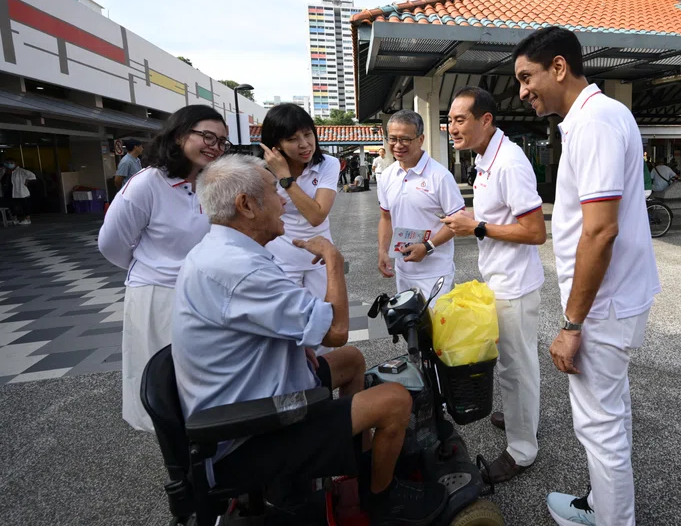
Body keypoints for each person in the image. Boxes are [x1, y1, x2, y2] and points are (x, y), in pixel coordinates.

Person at [172, 154, 447, 524]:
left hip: (250, 392)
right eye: (274, 192)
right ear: (246, 205)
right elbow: (335, 331)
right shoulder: (239, 269)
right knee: (395, 401)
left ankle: (354, 460)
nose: (285, 200)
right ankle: (381, 498)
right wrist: (333, 260)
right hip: (249, 431)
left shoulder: (224, 250)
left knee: (351, 361)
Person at [513, 26, 661, 526]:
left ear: (559, 67)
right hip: (615, 298)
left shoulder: (594, 122)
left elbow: (599, 232)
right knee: (609, 418)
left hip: (602, 306)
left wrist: (571, 325)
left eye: (527, 77)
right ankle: (600, 504)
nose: (523, 91)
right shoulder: (600, 115)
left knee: (599, 426)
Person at [98, 105, 230, 431]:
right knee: (168, 385)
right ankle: (181, 468)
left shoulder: (213, 183)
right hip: (160, 297)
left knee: (207, 382)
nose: (215, 146)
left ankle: (210, 457)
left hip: (205, 294)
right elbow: (111, 243)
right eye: (207, 136)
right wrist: (152, 268)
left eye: (222, 141)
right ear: (180, 135)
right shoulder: (147, 184)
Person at [442, 87, 547, 484]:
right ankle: (523, 417)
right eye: (450, 120)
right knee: (513, 363)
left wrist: (478, 227)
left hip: (514, 285)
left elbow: (536, 231)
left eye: (460, 119)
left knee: (516, 367)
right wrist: (470, 219)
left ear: (486, 120)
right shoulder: (486, 157)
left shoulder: (508, 163)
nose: (452, 128)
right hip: (500, 278)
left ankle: (522, 450)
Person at [259, 104, 340, 313]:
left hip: (319, 257)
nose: (304, 145)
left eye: (307, 134)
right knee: (289, 324)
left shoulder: (328, 164)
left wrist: (286, 179)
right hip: (280, 259)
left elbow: (317, 215)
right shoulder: (262, 173)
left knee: (325, 321)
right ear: (276, 145)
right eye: (292, 139)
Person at [377, 110, 464, 297]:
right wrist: (382, 251)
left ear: (420, 139)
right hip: (403, 271)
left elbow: (458, 221)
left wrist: (428, 246)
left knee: (433, 325)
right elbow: (385, 217)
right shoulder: (386, 176)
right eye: (392, 139)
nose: (398, 145)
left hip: (435, 273)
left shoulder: (440, 176)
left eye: (405, 139)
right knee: (408, 325)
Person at [1, 157, 37, 225]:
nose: (9, 164)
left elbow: (32, 176)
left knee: (24, 205)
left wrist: (27, 181)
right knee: (12, 205)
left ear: (16, 163)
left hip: (21, 191)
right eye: (7, 163)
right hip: (11, 192)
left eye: (11, 163)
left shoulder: (21, 171)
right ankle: (15, 219)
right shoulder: (6, 172)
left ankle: (27, 219)